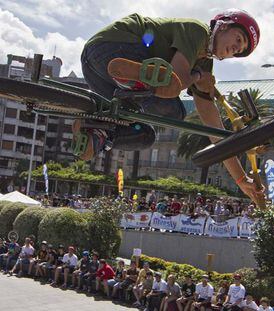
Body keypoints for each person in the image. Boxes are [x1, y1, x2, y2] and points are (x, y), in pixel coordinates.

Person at [73, 9, 264, 204]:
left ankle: (98, 132)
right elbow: (179, 79)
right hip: (113, 46)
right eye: (238, 39)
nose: (235, 49)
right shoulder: (198, 32)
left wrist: (241, 179)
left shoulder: (204, 64)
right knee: (173, 109)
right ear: (223, 25)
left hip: (96, 73)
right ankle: (135, 83)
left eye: (239, 50)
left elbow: (214, 127)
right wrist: (197, 77)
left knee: (145, 135)